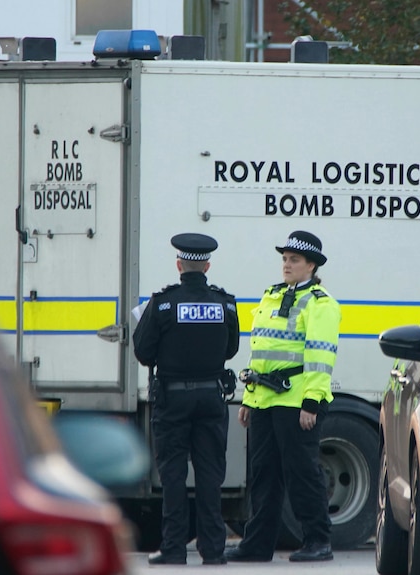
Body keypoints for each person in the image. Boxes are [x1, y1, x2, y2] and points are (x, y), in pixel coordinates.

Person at [225, 230, 341, 563]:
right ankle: (257, 545)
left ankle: (318, 540)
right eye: (285, 259)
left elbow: (321, 356)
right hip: (264, 399)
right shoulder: (272, 295)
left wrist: (312, 402)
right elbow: (260, 351)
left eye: (294, 260)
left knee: (302, 473)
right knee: (263, 475)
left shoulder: (321, 303)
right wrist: (248, 397)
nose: (286, 265)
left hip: (296, 402)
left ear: (311, 265)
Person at [132, 232, 239, 566]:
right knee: (210, 475)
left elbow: (143, 351)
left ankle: (174, 548)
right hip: (211, 398)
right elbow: (231, 349)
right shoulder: (225, 303)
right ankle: (213, 551)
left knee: (173, 476)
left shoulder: (163, 303)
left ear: (179, 264)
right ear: (207, 265)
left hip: (172, 401)